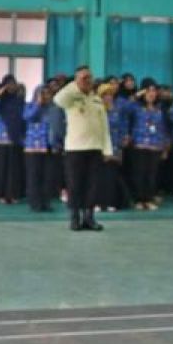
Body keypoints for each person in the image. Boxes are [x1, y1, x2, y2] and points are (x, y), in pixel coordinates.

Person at [54, 66, 112, 231]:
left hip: (95, 148)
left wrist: (107, 150)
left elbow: (104, 127)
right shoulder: (71, 97)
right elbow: (58, 99)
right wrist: (75, 85)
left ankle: (89, 217)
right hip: (75, 149)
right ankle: (74, 218)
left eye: (89, 77)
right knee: (74, 185)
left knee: (92, 185)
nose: (87, 81)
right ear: (76, 80)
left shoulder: (97, 100)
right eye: (83, 78)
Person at [127, 82, 167, 210]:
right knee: (139, 173)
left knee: (152, 174)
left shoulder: (159, 110)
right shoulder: (136, 108)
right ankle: (139, 200)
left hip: (155, 145)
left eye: (154, 91)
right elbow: (126, 108)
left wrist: (164, 146)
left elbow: (163, 128)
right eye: (149, 91)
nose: (151, 94)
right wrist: (137, 95)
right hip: (139, 145)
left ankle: (148, 199)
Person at [94, 82, 131, 212]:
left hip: (114, 146)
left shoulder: (117, 110)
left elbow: (121, 127)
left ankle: (110, 202)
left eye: (110, 94)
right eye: (105, 95)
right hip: (99, 146)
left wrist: (123, 141)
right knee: (98, 176)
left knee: (111, 176)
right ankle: (98, 202)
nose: (108, 97)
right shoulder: (96, 110)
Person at [0, 76, 26, 204]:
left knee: (13, 169)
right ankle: (1, 194)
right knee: (1, 169)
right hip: (0, 139)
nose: (11, 86)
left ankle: (13, 194)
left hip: (15, 138)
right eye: (8, 84)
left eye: (13, 84)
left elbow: (23, 118)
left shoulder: (19, 100)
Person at [23, 85, 57, 212]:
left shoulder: (53, 108)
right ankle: (35, 202)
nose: (45, 96)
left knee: (48, 176)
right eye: (42, 94)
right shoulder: (29, 106)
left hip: (49, 146)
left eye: (47, 94)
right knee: (34, 176)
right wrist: (38, 104)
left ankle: (46, 202)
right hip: (33, 147)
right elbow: (28, 117)